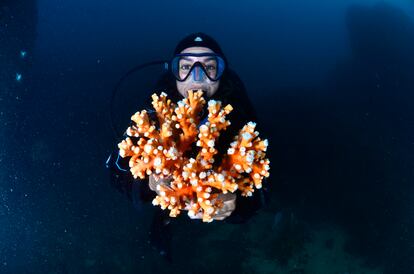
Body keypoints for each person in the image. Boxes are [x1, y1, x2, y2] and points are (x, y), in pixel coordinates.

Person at [106, 32, 269, 261]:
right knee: (163, 220)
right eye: (186, 67)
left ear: (220, 74)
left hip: (213, 207)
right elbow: (115, 170)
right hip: (167, 200)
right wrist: (148, 185)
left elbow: (264, 184)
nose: (198, 77)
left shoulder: (237, 109)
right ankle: (163, 224)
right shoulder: (158, 106)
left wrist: (237, 206)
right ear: (174, 73)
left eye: (209, 68)